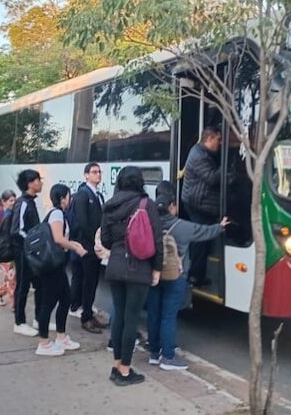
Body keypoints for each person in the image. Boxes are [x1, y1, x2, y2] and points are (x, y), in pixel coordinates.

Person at [148, 183, 230, 370]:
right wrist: (220, 226)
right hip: (175, 276)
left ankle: (154, 353)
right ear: (171, 207)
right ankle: (168, 356)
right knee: (169, 315)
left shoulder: (150, 224)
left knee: (154, 313)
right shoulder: (182, 226)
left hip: (153, 274)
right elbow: (205, 232)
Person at [101, 166, 163, 386]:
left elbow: (106, 240)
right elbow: (157, 240)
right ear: (139, 181)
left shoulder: (110, 205)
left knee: (119, 315)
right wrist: (157, 269)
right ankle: (126, 371)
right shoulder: (146, 204)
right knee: (131, 318)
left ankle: (117, 364)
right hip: (139, 268)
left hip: (115, 266)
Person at [35, 184, 88, 356]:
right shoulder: (57, 214)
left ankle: (61, 337)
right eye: (68, 195)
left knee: (66, 299)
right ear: (63, 198)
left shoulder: (56, 213)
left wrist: (73, 244)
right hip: (52, 266)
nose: (70, 198)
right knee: (48, 303)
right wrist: (76, 247)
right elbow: (58, 238)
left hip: (56, 264)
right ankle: (44, 343)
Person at [181, 127, 223, 286]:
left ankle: (198, 273)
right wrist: (226, 164)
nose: (220, 143)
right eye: (218, 139)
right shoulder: (199, 155)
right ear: (209, 138)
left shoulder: (203, 153)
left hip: (201, 202)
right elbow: (211, 178)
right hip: (197, 204)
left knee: (204, 239)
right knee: (200, 240)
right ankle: (195, 276)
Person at [69, 162, 107, 333]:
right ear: (86, 175)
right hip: (87, 247)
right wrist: (96, 241)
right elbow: (83, 223)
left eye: (99, 172)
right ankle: (86, 318)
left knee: (93, 282)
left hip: (95, 247)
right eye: (94, 172)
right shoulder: (83, 195)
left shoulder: (98, 195)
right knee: (87, 282)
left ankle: (89, 313)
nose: (98, 174)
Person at [10, 170, 43, 337]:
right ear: (30, 183)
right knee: (22, 286)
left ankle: (39, 319)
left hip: (32, 253)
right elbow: (17, 230)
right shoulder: (22, 203)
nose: (41, 182)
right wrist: (32, 243)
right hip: (23, 253)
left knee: (40, 285)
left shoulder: (30, 202)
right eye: (38, 180)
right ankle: (19, 322)